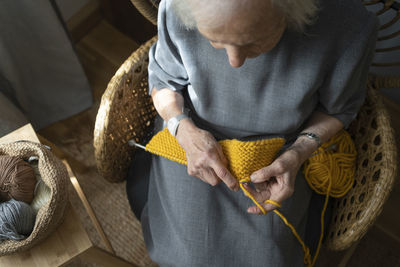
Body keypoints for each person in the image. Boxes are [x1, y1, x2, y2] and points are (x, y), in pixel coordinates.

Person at [126, 0, 378, 266]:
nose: (235, 61)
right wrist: (181, 127)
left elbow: (338, 110)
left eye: (254, 42)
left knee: (267, 258)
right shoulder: (179, 6)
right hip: (192, 137)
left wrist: (299, 152)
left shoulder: (349, 26)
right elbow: (164, 82)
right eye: (216, 40)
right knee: (182, 254)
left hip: (281, 154)